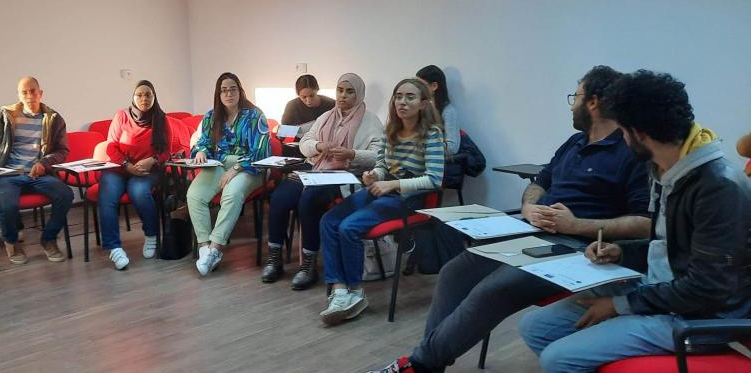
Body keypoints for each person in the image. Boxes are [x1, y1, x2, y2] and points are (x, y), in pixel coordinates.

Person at [365, 66, 651, 373]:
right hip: (531, 232)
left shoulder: (631, 152)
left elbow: (645, 223)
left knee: (493, 290)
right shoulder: (574, 143)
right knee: (454, 272)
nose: (572, 105)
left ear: (593, 102)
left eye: (576, 96)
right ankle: (428, 362)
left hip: (576, 247)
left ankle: (421, 364)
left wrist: (576, 225)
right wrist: (529, 207)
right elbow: (540, 182)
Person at [518, 70, 751, 373]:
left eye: (622, 132)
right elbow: (670, 248)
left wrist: (619, 305)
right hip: (659, 289)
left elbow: (708, 287)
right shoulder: (665, 169)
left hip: (699, 316)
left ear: (637, 134)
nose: (621, 140)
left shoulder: (717, 188)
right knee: (535, 327)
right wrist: (621, 252)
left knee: (558, 358)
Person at [318, 78, 445, 326]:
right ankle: (340, 289)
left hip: (409, 198)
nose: (402, 102)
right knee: (329, 220)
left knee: (349, 227)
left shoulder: (431, 134)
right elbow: (382, 165)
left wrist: (393, 184)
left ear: (423, 104)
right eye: (398, 96)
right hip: (384, 190)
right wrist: (374, 175)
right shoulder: (391, 130)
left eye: (410, 97)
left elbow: (434, 180)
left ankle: (356, 291)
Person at [261, 73, 384, 289]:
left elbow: (378, 156)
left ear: (359, 94)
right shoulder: (327, 116)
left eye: (349, 91)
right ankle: (274, 259)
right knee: (280, 197)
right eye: (340, 90)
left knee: (309, 199)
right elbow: (305, 143)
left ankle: (308, 265)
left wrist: (352, 154)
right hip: (314, 167)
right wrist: (318, 146)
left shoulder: (370, 120)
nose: (343, 95)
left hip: (344, 174)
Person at [0, 76, 73, 265]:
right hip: (9, 175)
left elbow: (62, 150)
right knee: (8, 204)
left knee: (66, 195)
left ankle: (49, 239)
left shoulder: (53, 119)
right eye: (24, 92)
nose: (29, 96)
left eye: (33, 91)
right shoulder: (5, 116)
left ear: (40, 93)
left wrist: (44, 163)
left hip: (39, 175)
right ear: (18, 95)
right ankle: (11, 242)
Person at [188, 72, 271, 276]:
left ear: (240, 91)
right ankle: (205, 247)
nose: (228, 94)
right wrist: (200, 151)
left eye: (233, 89)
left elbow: (261, 152)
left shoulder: (255, 115)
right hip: (219, 163)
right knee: (194, 195)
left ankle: (215, 247)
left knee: (231, 193)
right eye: (223, 90)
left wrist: (236, 169)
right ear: (218, 94)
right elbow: (203, 142)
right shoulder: (211, 116)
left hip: (250, 166)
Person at [100, 80, 174, 270]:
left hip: (148, 170)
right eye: (139, 95)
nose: (144, 98)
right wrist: (127, 165)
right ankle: (114, 248)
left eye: (148, 94)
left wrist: (153, 160)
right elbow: (111, 146)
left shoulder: (161, 119)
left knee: (138, 191)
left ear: (154, 97)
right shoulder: (121, 116)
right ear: (133, 97)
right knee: (107, 196)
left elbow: (167, 151)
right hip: (119, 168)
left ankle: (151, 234)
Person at [415, 65, 459, 153]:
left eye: (420, 85)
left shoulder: (448, 111)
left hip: (435, 158)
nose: (416, 89)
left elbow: (452, 148)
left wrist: (425, 147)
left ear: (434, 86)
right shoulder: (418, 106)